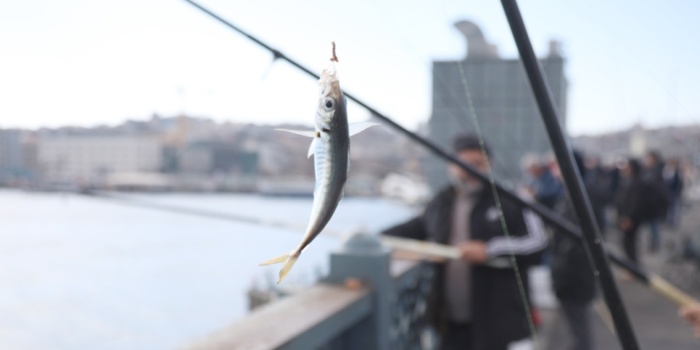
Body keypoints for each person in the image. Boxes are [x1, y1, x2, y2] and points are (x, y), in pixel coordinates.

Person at [382, 134, 548, 350]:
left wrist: (490, 249)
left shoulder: (511, 198)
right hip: (448, 320)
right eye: (464, 164)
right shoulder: (441, 200)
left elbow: (539, 242)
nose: (470, 170)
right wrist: (375, 238)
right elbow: (417, 228)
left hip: (495, 322)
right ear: (452, 164)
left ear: (489, 165)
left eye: (478, 164)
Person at [549, 151, 597, 350]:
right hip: (573, 274)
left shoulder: (580, 196)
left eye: (556, 165)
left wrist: (561, 271)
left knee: (578, 324)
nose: (553, 171)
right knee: (577, 323)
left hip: (574, 276)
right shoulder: (572, 193)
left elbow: (577, 242)